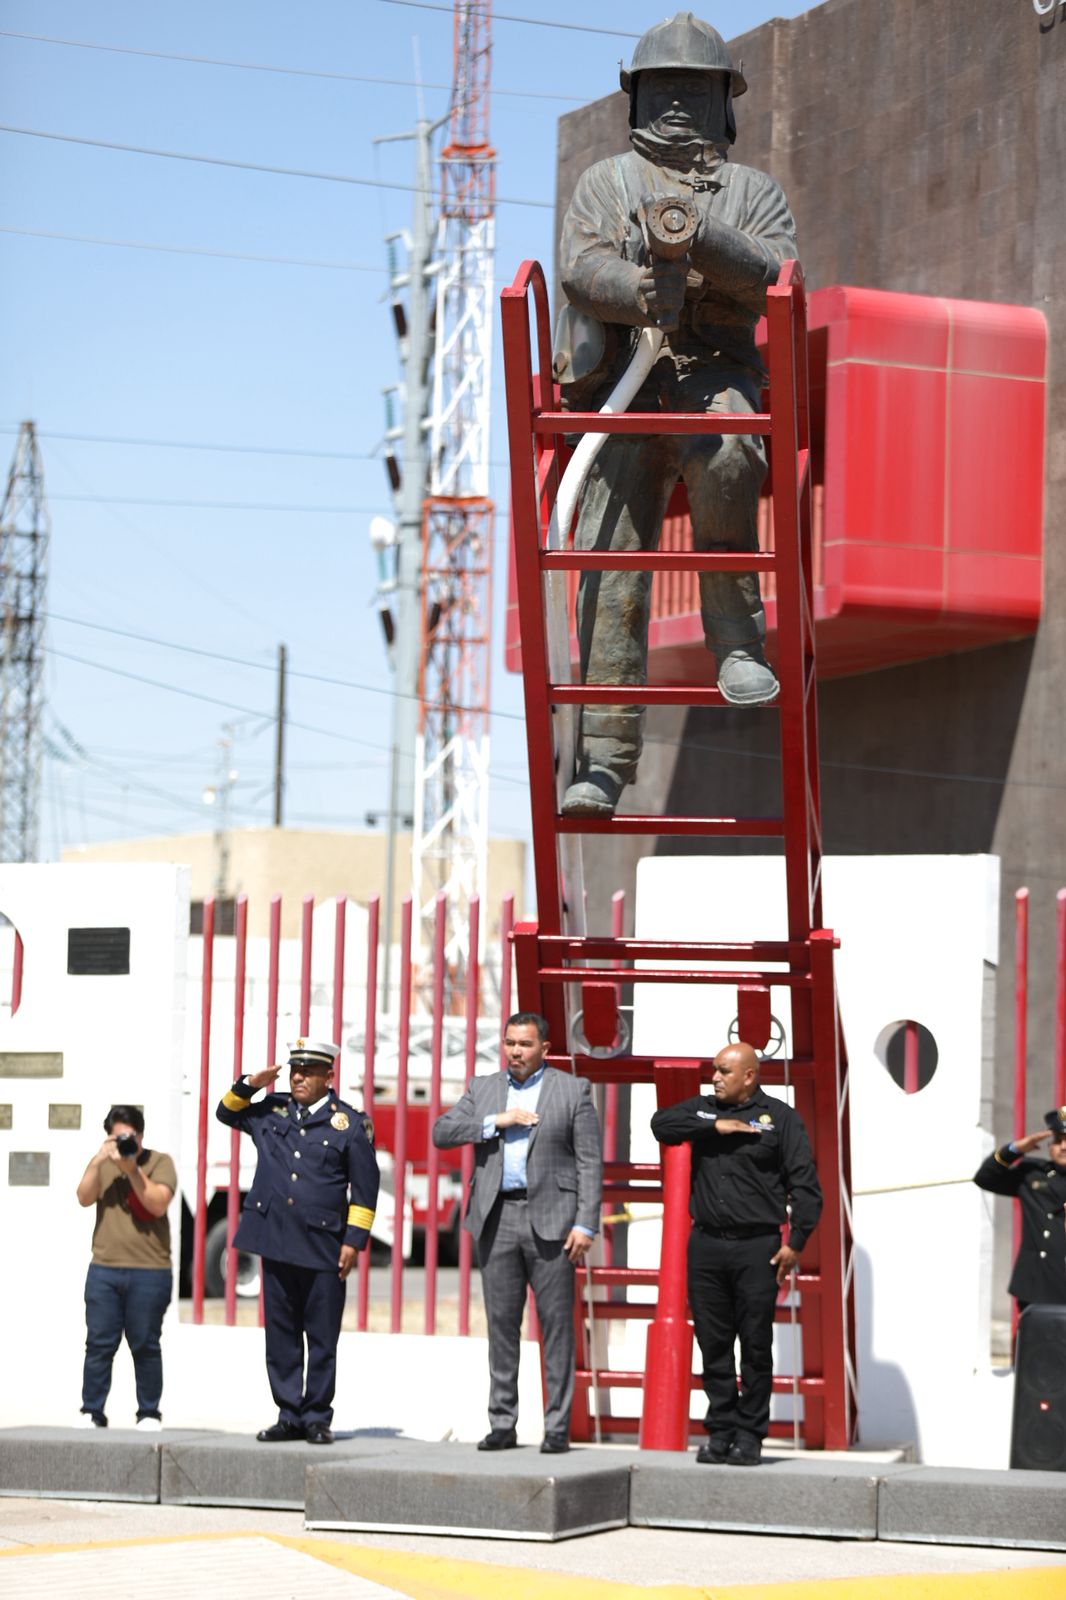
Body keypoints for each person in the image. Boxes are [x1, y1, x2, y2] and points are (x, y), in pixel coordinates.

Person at [555, 12, 799, 817]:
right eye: (662, 88)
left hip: (712, 374)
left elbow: (775, 271)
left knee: (731, 454)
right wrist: (636, 291)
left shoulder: (753, 191)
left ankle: (736, 642)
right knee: (608, 557)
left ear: (723, 101)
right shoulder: (604, 183)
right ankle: (603, 760)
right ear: (634, 98)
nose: (676, 105)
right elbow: (580, 265)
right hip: (623, 386)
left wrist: (702, 240)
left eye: (694, 90)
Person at [432, 1011, 603, 1453]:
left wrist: (585, 1222)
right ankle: (502, 1423)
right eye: (510, 1043)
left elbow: (589, 1161)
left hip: (553, 1221)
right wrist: (496, 1121)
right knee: (502, 1327)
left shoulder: (572, 1090)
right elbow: (442, 1132)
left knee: (556, 1328)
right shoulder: (484, 1088)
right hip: (497, 1218)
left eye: (525, 1044)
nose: (515, 1052)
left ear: (545, 1048)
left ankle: (558, 1427)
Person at [650, 1041, 822, 1466]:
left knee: (756, 1344)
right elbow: (661, 1123)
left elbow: (805, 1186)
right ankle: (721, 1431)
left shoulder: (779, 1118)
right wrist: (714, 1129)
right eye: (715, 1070)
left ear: (749, 1076)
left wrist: (795, 1243)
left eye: (725, 1071)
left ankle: (750, 1435)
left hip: (757, 1247)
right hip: (707, 1243)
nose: (715, 1077)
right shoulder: (705, 1110)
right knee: (713, 1343)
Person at [216, 1038, 379, 1445]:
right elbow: (225, 1112)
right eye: (294, 1071)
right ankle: (289, 1414)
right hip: (276, 1239)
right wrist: (251, 1083)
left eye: (308, 1072)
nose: (298, 1077)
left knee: (322, 1337)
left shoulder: (349, 1124)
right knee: (281, 1333)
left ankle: (317, 1417)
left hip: (324, 1245)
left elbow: (365, 1189)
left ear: (329, 1076)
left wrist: (353, 1242)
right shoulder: (272, 1110)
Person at [76, 1104, 177, 1429]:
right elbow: (83, 1197)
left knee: (145, 1344)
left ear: (141, 1135)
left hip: (150, 1270)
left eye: (129, 1137)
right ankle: (92, 1410)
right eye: (116, 1137)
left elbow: (157, 1204)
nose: (123, 1143)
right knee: (99, 1344)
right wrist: (98, 1159)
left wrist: (132, 1168)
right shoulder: (104, 1163)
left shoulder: (159, 1162)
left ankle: (149, 1412)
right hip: (105, 1267)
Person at [972, 1107, 1066, 1309]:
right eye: (1058, 1139)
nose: (1063, 1147)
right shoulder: (1032, 1173)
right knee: (1029, 1340)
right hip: (1033, 1285)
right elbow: (985, 1178)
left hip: (1062, 1286)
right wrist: (1015, 1149)